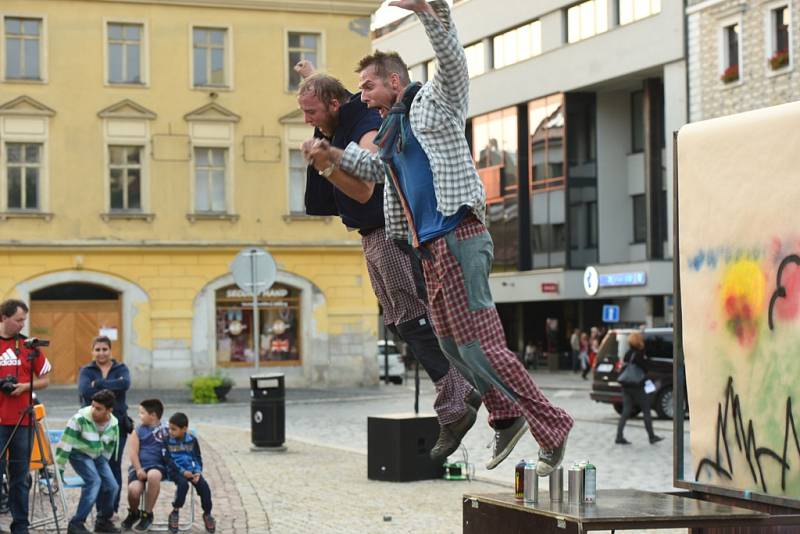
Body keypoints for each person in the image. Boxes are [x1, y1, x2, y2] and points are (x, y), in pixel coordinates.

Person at [304, 0, 573, 474]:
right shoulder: (389, 131)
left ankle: (551, 424)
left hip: (460, 234)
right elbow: (371, 169)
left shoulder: (435, 101)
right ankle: (506, 415)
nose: (360, 97)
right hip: (428, 247)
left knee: (482, 347)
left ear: (394, 80)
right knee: (450, 345)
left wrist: (432, 11)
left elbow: (451, 58)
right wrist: (330, 155)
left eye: (367, 86)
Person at [296, 66, 480, 460]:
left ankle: (459, 397)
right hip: (371, 236)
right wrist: (312, 74)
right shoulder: (338, 119)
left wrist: (325, 165)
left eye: (311, 112)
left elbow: (364, 190)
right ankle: (458, 395)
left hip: (386, 231)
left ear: (332, 103)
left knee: (413, 317)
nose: (307, 121)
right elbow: (332, 92)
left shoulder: (361, 123)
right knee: (399, 320)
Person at [0, 299, 52, 534]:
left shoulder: (29, 346)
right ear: (4, 317)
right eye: (18, 320)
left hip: (22, 420)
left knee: (20, 477)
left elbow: (45, 379)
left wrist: (24, 387)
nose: (22, 324)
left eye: (24, 320)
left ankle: (20, 525)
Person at [77, 335, 131, 516]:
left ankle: (111, 510)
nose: (101, 353)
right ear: (92, 351)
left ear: (110, 350)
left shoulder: (121, 368)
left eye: (104, 349)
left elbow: (125, 384)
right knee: (98, 467)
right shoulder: (86, 370)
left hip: (118, 427)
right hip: (92, 428)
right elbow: (86, 391)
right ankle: (100, 510)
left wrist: (99, 384)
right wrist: (111, 387)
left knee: (114, 467)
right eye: (97, 349)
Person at [55, 389, 121, 534]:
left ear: (109, 411)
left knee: (112, 486)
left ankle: (102, 521)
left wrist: (102, 463)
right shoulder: (79, 419)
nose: (93, 410)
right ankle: (76, 523)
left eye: (98, 408)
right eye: (92, 406)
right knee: (94, 481)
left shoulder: (114, 424)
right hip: (78, 453)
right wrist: (58, 471)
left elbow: (109, 447)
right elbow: (64, 446)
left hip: (98, 456)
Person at [163, 412, 216, 533]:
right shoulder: (167, 440)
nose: (170, 431)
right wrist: (182, 472)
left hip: (191, 471)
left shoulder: (192, 440)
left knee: (204, 487)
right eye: (169, 428)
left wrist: (197, 472)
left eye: (174, 429)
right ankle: (175, 512)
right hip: (175, 471)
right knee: (183, 485)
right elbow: (168, 460)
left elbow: (197, 457)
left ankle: (207, 514)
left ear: (184, 429)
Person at [121, 399, 169, 532]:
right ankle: (134, 513)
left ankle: (147, 514)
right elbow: (133, 453)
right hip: (140, 467)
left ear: (153, 415)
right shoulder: (138, 431)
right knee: (134, 491)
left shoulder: (166, 429)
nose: (139, 416)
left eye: (142, 413)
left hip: (158, 466)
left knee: (153, 475)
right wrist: (138, 469)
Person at [615, 331, 664, 445]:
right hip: (638, 386)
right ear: (639, 341)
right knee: (646, 410)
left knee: (626, 411)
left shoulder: (628, 353)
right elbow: (646, 369)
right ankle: (651, 436)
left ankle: (619, 436)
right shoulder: (639, 354)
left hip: (626, 386)